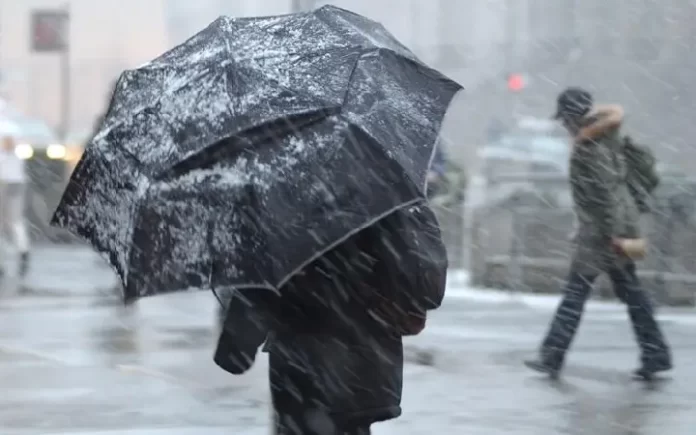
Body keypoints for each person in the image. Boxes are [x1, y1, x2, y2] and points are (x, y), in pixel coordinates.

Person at [214, 204, 447, 434]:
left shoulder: (290, 206)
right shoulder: (382, 195)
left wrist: (236, 348)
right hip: (366, 367)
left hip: (304, 372)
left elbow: (260, 283)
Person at [524, 87, 672, 381]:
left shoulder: (588, 148)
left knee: (575, 295)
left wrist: (611, 234)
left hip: (602, 234)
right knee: (631, 294)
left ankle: (552, 356)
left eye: (564, 118)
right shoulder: (608, 138)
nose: (563, 125)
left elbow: (604, 196)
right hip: (615, 227)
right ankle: (655, 354)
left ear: (572, 117)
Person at [0, 135, 30, 278]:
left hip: (6, 186)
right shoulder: (17, 158)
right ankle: (23, 253)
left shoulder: (6, 158)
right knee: (15, 224)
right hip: (15, 187)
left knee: (12, 224)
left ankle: (7, 261)